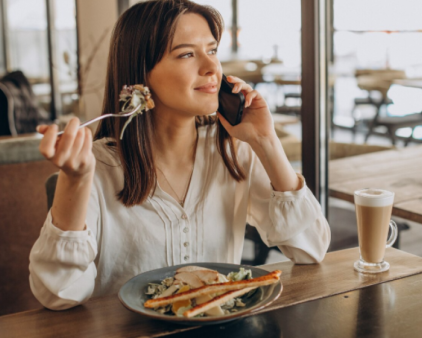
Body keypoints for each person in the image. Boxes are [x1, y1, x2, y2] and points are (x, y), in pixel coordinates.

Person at [29, 0, 331, 310]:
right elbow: (58, 294)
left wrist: (266, 141)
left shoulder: (233, 150)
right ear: (140, 75)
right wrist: (75, 179)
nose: (212, 68)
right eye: (187, 54)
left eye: (212, 50)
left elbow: (311, 248)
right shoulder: (97, 168)